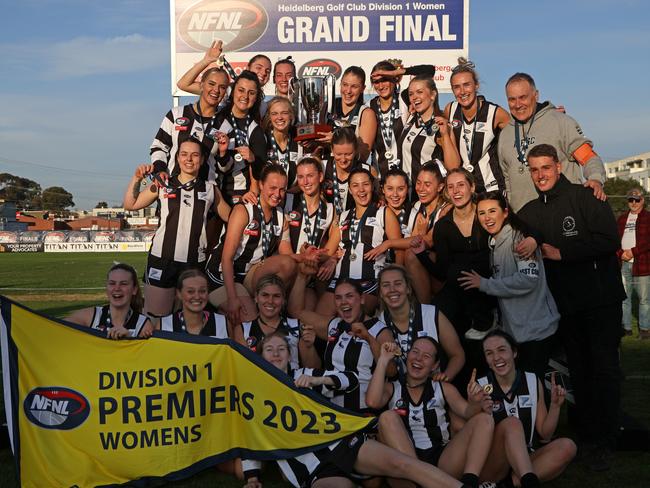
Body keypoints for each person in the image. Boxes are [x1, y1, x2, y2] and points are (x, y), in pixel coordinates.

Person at [242, 332, 474, 488]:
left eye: (281, 349)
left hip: (342, 443)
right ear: (261, 356)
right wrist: (252, 477)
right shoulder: (254, 396)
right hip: (312, 467)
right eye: (269, 349)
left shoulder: (306, 375)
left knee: (404, 464)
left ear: (289, 355)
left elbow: (350, 380)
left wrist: (318, 382)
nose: (275, 354)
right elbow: (249, 437)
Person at [518, 143, 625, 471]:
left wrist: (563, 252)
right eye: (534, 170)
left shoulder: (586, 196)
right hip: (566, 308)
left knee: (604, 371)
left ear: (559, 166)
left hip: (600, 302)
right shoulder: (530, 212)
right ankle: (590, 436)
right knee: (580, 374)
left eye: (545, 168)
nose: (540, 175)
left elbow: (609, 241)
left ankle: (607, 440)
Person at [123, 138, 231, 317]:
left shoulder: (210, 189)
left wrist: (246, 203)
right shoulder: (162, 184)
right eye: (184, 154)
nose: (189, 159)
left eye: (195, 155)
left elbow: (232, 218)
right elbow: (130, 204)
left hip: (194, 263)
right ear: (177, 157)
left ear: (202, 159)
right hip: (161, 260)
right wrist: (136, 178)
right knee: (155, 319)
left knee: (191, 321)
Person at [458, 191, 560, 379]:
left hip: (536, 330)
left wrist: (484, 284)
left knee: (534, 391)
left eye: (492, 211)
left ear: (505, 212)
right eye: (481, 213)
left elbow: (528, 280)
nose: (487, 218)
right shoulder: (494, 242)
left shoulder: (519, 238)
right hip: (517, 332)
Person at [366, 339, 493, 488]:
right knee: (387, 417)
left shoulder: (443, 388)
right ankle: (422, 477)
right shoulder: (392, 388)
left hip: (442, 461)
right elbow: (372, 402)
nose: (418, 358)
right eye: (415, 352)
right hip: (405, 467)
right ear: (407, 356)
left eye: (426, 356)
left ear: (435, 365)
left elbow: (467, 412)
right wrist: (383, 360)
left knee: (485, 419)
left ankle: (469, 483)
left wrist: (474, 403)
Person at [478, 331, 576, 487]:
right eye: (489, 353)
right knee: (511, 424)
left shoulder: (532, 380)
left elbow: (545, 433)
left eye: (502, 350)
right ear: (486, 360)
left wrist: (555, 406)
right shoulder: (481, 387)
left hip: (525, 457)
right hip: (494, 464)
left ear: (514, 352)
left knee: (568, 446)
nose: (496, 357)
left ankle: (510, 484)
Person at [289, 270, 396, 413]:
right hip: (332, 411)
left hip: (362, 411)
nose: (344, 302)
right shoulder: (334, 325)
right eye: (338, 298)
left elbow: (392, 372)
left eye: (349, 296)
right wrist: (302, 275)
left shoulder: (379, 330)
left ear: (362, 299)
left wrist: (368, 338)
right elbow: (296, 312)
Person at [497, 72, 606, 211]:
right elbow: (507, 180)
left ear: (536, 95)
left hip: (563, 216)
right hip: (524, 222)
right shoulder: (505, 134)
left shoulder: (560, 122)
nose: (518, 105)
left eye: (523, 97)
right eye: (512, 99)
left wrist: (596, 179)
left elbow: (588, 157)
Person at [205, 164, 296, 326]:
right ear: (261, 185)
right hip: (222, 276)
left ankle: (270, 305)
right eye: (273, 188)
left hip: (249, 276)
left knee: (289, 264)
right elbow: (226, 259)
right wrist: (233, 299)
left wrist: (305, 256)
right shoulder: (243, 210)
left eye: (282, 189)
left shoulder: (281, 217)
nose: (277, 194)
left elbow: (287, 257)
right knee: (249, 320)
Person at [319, 167, 402, 315]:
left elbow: (399, 249)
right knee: (319, 319)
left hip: (369, 281)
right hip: (340, 281)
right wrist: (327, 257)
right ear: (350, 190)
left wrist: (395, 281)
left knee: (355, 318)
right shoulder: (342, 216)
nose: (361, 190)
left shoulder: (384, 212)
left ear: (372, 186)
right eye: (355, 186)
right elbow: (328, 251)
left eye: (365, 184)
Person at [374, 264, 465, 382]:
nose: (392, 290)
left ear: (408, 288)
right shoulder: (378, 323)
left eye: (398, 283)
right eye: (386, 285)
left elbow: (457, 355)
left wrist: (445, 378)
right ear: (380, 292)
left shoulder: (431, 314)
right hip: (396, 395)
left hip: (432, 393)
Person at [151, 66, 230, 183]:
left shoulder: (226, 125)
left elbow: (226, 169)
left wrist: (223, 154)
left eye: (222, 87)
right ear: (201, 85)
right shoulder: (176, 114)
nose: (216, 90)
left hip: (205, 195)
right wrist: (159, 170)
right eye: (211, 84)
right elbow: (159, 147)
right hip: (171, 190)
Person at [444, 58, 509, 193]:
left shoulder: (495, 113)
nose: (462, 91)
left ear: (476, 85)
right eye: (457, 87)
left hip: (492, 188)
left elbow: (519, 129)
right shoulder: (450, 110)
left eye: (467, 85)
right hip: (463, 190)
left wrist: (545, 115)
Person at [207, 70, 267, 205]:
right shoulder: (216, 117)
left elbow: (261, 171)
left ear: (256, 97)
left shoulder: (255, 130)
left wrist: (253, 159)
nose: (245, 96)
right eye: (241, 90)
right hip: (210, 188)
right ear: (233, 92)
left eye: (251, 93)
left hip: (239, 195)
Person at [233, 275, 320, 369]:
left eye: (276, 296)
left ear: (283, 300)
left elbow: (313, 369)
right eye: (265, 295)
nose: (270, 301)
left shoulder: (296, 326)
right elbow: (241, 368)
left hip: (291, 382)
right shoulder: (243, 329)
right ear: (256, 297)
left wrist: (309, 346)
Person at [397, 75, 460, 196]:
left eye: (420, 92)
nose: (415, 97)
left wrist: (445, 135)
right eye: (411, 94)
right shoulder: (411, 119)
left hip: (429, 195)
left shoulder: (441, 124)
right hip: (408, 195)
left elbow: (453, 167)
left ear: (432, 95)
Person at [65, 263, 152, 339]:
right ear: (106, 287)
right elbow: (60, 329)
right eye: (112, 283)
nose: (117, 288)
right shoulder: (89, 316)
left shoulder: (143, 325)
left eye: (123, 284)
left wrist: (130, 339)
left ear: (134, 289)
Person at [617, 187, 650, 339]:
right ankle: (626, 327)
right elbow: (614, 240)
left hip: (642, 264)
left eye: (637, 200)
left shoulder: (648, 217)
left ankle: (644, 329)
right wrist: (621, 253)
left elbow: (647, 241)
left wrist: (633, 252)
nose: (634, 203)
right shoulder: (622, 218)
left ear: (642, 200)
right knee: (624, 297)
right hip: (624, 263)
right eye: (631, 200)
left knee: (644, 299)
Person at [158, 270, 229, 338]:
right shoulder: (164, 326)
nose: (197, 296)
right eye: (190, 291)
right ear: (179, 294)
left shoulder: (222, 323)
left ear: (208, 293)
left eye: (202, 291)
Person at [326, 66, 377, 162]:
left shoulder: (366, 114)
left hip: (351, 172)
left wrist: (337, 141)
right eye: (345, 85)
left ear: (362, 88)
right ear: (340, 84)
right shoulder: (328, 106)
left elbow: (362, 155)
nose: (348, 91)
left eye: (354, 87)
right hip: (327, 170)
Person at [322, 127, 374, 216]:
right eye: (338, 154)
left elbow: (378, 199)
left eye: (348, 154)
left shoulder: (367, 170)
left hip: (356, 224)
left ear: (356, 150)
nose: (343, 159)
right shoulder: (322, 166)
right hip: (328, 223)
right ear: (332, 149)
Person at [263, 96, 301, 188]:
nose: (279, 117)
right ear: (270, 117)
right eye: (274, 113)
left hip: (293, 195)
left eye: (284, 113)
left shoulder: (299, 137)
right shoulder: (263, 138)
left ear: (291, 115)